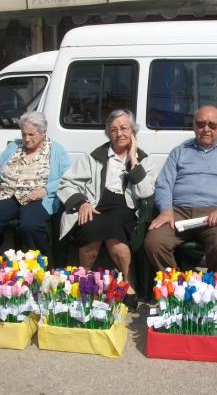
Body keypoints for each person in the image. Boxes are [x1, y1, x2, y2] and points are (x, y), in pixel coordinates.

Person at [57, 109, 155, 311]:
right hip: (96, 205)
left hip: (125, 207)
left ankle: (128, 282)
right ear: (108, 133)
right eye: (114, 129)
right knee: (90, 228)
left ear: (133, 131)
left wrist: (133, 159)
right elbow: (67, 182)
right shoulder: (94, 156)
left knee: (114, 230)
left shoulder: (144, 159)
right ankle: (84, 278)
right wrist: (81, 202)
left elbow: (146, 192)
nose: (119, 134)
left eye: (124, 128)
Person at [144, 105, 217, 275]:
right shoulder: (179, 152)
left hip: (215, 214)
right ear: (194, 126)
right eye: (201, 124)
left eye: (212, 125)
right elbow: (164, 184)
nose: (206, 129)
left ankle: (213, 287)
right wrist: (165, 210)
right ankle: (176, 285)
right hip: (179, 212)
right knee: (154, 242)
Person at [0, 111, 70, 269]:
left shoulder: (57, 150)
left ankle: (40, 269)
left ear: (43, 132)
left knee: (30, 226)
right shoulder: (14, 147)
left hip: (38, 197)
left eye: (31, 134)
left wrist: (45, 190)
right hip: (9, 193)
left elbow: (66, 178)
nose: (26, 139)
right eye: (24, 134)